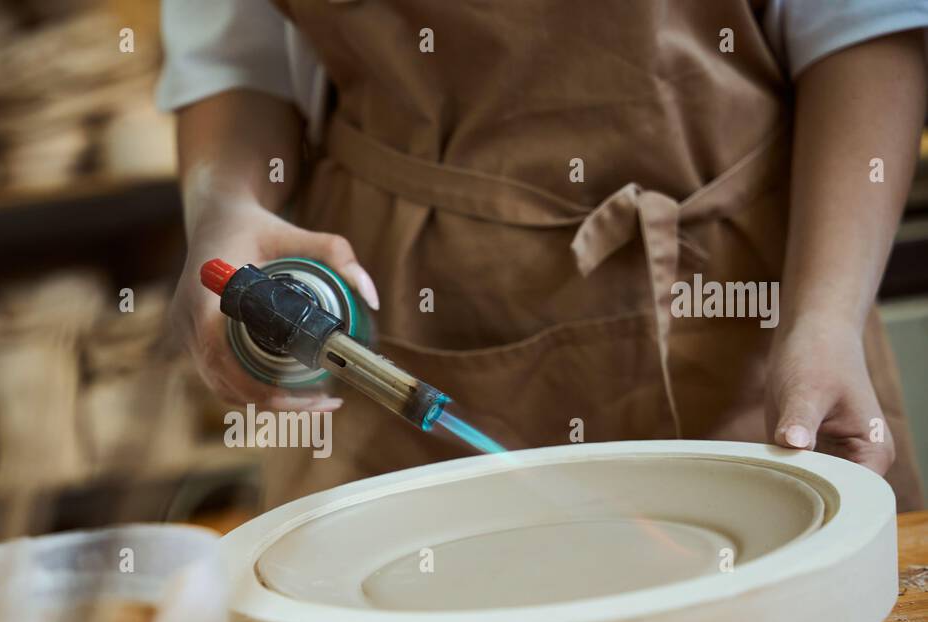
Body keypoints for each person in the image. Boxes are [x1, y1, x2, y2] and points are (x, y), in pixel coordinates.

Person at [159, 0, 928, 510]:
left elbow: (865, 21)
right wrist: (224, 208)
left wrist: (822, 317)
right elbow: (237, 63)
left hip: (758, 298)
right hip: (402, 303)